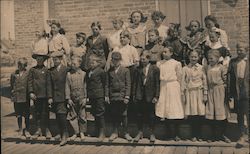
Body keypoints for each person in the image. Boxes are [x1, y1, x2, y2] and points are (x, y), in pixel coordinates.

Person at [156, 47, 184, 141]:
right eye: (163, 52)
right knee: (165, 111)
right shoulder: (159, 63)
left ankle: (176, 134)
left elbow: (179, 77)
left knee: (174, 110)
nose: (164, 53)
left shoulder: (176, 63)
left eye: (166, 52)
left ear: (171, 53)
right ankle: (168, 133)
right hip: (163, 87)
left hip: (173, 87)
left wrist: (180, 90)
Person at [132, 52, 160, 143]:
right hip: (140, 95)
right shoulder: (137, 69)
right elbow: (135, 83)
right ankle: (140, 132)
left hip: (150, 96)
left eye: (144, 59)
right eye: (141, 59)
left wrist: (156, 96)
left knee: (151, 115)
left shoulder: (155, 69)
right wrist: (134, 95)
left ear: (148, 59)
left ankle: (152, 133)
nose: (142, 61)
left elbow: (157, 83)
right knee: (139, 115)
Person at [106, 52, 132, 142]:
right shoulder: (110, 71)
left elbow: (128, 84)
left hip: (122, 96)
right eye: (113, 59)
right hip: (113, 96)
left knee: (124, 115)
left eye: (117, 60)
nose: (115, 61)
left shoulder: (125, 70)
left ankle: (125, 133)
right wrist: (107, 96)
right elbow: (107, 84)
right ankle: (115, 132)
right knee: (114, 114)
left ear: (120, 60)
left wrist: (127, 96)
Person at [181, 50, 208, 142]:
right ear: (189, 57)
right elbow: (183, 83)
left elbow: (205, 81)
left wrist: (205, 94)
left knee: (200, 113)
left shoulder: (202, 68)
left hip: (199, 93)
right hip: (190, 93)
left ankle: (199, 134)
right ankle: (193, 135)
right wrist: (183, 94)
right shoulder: (185, 68)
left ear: (199, 57)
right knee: (192, 114)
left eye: (195, 57)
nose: (193, 58)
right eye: (192, 57)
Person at [205, 49, 231, 143]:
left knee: (221, 112)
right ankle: (213, 135)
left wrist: (224, 89)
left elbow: (226, 80)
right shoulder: (207, 67)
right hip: (211, 91)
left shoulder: (221, 68)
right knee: (212, 112)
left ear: (217, 58)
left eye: (212, 58)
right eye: (209, 59)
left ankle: (222, 134)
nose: (210, 60)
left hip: (220, 92)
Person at [228, 42, 249, 144]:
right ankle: (242, 135)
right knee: (240, 115)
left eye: (241, 50)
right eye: (238, 50)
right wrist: (230, 93)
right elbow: (229, 78)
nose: (239, 52)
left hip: (247, 92)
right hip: (237, 92)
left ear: (246, 51)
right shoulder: (233, 62)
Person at [28, 52, 52, 140]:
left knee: (45, 113)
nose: (39, 61)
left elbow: (49, 84)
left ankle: (46, 130)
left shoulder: (47, 70)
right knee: (37, 113)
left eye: (41, 59)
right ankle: (38, 130)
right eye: (38, 59)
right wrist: (31, 92)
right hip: (36, 96)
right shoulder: (32, 70)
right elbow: (30, 82)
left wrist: (49, 96)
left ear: (44, 60)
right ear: (36, 60)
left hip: (45, 96)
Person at [65, 56, 87, 142]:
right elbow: (67, 87)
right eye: (72, 64)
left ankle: (82, 132)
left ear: (79, 64)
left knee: (82, 115)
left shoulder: (83, 74)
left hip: (81, 97)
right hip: (72, 97)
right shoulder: (69, 74)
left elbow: (85, 86)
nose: (72, 65)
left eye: (74, 64)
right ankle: (75, 132)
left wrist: (85, 98)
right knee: (73, 115)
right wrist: (68, 98)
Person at [49, 51, 69, 146]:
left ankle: (65, 135)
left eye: (56, 59)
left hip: (63, 96)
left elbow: (68, 84)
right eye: (53, 60)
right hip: (54, 97)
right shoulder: (51, 71)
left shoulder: (66, 70)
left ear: (61, 59)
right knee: (57, 115)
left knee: (62, 115)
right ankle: (60, 134)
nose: (55, 61)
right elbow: (49, 85)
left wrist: (68, 97)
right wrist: (50, 97)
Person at [86, 55, 107, 142]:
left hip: (99, 95)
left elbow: (105, 83)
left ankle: (102, 132)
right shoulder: (88, 71)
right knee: (94, 112)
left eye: (93, 62)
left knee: (100, 113)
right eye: (90, 62)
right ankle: (96, 130)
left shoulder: (101, 72)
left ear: (98, 63)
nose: (91, 64)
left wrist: (105, 95)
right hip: (92, 96)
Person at [10, 58, 31, 139]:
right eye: (19, 65)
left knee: (26, 115)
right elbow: (12, 85)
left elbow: (29, 84)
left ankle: (27, 130)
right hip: (17, 98)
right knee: (18, 115)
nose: (20, 67)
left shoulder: (28, 73)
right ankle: (20, 129)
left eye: (21, 65)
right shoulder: (13, 74)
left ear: (25, 65)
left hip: (25, 97)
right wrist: (13, 93)